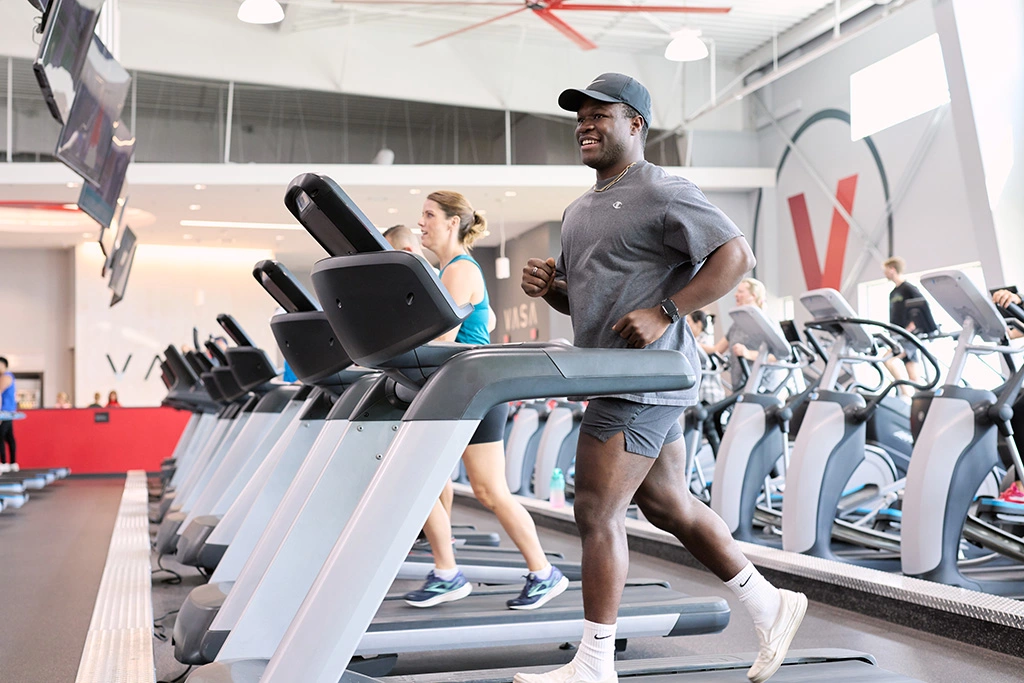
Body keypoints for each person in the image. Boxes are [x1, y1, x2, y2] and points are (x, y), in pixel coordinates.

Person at [518, 73, 804, 683]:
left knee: (596, 509)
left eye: (602, 114)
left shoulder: (663, 190)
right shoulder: (578, 209)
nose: (586, 125)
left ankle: (594, 663)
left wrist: (667, 309)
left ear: (636, 125)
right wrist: (553, 288)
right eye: (580, 116)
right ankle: (771, 603)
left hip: (645, 379)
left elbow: (737, 255)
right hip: (612, 374)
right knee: (669, 505)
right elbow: (586, 302)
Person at [402, 191, 568, 611]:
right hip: (460, 389)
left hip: (473, 390)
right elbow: (483, 322)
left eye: (429, 215)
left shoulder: (459, 270)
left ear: (453, 223)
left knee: (487, 491)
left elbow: (440, 340)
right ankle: (446, 570)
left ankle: (541, 573)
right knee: (427, 483)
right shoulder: (450, 273)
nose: (421, 223)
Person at [702, 278, 774, 393]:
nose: (736, 295)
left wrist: (748, 354)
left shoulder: (765, 322)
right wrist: (692, 344)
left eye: (740, 292)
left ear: (753, 296)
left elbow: (777, 356)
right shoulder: (737, 325)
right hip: (740, 386)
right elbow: (717, 349)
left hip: (761, 387)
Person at [882, 257, 930, 397]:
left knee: (888, 359)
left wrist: (914, 323)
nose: (884, 273)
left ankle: (905, 395)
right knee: (914, 376)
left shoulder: (908, 288)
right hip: (898, 335)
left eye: (885, 270)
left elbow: (922, 304)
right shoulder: (893, 293)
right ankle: (918, 400)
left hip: (909, 336)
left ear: (892, 269)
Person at [687, 311, 726, 404]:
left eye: (688, 322)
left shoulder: (702, 342)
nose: (685, 325)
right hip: (705, 395)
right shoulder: (700, 341)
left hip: (709, 395)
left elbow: (712, 349)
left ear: (698, 324)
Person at [0, 357, 17, 472]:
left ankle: (4, 463)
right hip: (8, 411)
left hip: (5, 412)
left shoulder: (6, 376)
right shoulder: (7, 376)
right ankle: (12, 464)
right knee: (9, 436)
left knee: (0, 435)